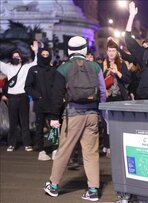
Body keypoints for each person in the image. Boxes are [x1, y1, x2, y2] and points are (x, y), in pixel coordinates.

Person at [43, 36, 106, 201]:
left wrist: (54, 117)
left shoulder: (63, 68)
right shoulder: (95, 66)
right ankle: (93, 190)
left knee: (64, 151)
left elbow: (56, 95)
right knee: (91, 153)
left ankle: (54, 185)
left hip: (73, 115)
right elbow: (103, 92)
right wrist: (100, 112)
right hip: (92, 114)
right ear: (85, 49)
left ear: (69, 50)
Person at [0, 41, 39, 152]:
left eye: (18, 57)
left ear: (21, 58)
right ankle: (11, 144)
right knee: (12, 122)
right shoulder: (7, 68)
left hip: (23, 97)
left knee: (24, 122)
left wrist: (36, 50)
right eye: (14, 57)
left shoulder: (26, 68)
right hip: (12, 98)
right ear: (11, 58)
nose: (16, 58)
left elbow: (36, 62)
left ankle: (27, 144)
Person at [24, 48, 57, 160]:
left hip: (52, 104)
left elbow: (58, 86)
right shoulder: (33, 70)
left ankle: (54, 149)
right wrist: (38, 96)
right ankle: (41, 151)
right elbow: (28, 87)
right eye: (43, 54)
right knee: (39, 128)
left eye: (47, 54)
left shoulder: (53, 70)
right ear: (39, 55)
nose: (45, 56)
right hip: (39, 104)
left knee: (54, 128)